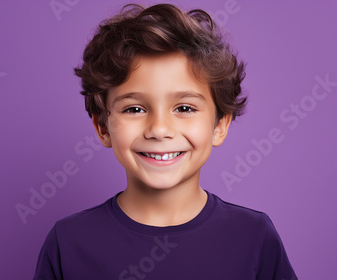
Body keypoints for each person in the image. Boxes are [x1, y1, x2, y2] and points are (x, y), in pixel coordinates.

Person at [33, 3, 297, 279]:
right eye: (134, 109)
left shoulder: (254, 237)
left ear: (220, 125)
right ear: (103, 126)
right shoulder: (68, 242)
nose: (159, 130)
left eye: (184, 108)